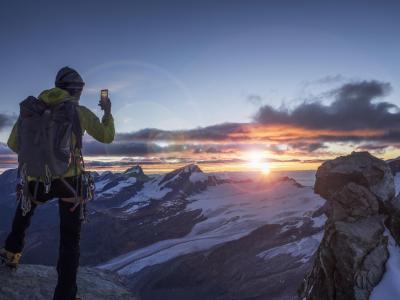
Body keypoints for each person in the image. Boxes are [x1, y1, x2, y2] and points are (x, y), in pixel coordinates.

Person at [0, 66, 115, 300]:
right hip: (68, 181)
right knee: (70, 239)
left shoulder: (31, 110)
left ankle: (11, 255)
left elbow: (13, 144)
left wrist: (40, 150)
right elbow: (107, 136)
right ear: (76, 91)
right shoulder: (78, 112)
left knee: (24, 212)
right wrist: (107, 112)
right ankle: (65, 295)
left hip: (36, 179)